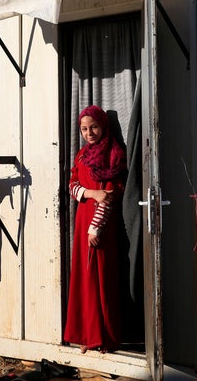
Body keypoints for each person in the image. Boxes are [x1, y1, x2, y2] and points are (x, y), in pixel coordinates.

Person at [64, 105, 127, 354]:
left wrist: (96, 228)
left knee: (101, 279)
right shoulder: (81, 156)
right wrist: (92, 193)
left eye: (94, 127)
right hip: (82, 222)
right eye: (84, 129)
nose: (89, 133)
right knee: (84, 278)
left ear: (103, 126)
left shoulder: (113, 154)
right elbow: (73, 186)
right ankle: (87, 335)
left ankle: (105, 338)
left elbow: (110, 197)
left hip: (99, 226)